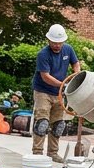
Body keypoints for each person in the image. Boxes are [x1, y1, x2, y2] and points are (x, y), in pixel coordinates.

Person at [31, 24, 81, 160]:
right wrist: (64, 85)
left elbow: (75, 64)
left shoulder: (68, 50)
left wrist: (76, 75)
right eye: (54, 43)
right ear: (49, 40)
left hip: (59, 93)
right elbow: (45, 76)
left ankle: (53, 153)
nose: (57, 45)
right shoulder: (43, 54)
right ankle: (37, 153)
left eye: (59, 43)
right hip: (43, 91)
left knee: (58, 124)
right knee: (42, 123)